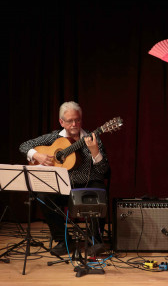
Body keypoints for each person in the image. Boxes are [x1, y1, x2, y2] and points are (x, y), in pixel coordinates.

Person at [19, 101, 110, 256]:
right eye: (69, 121)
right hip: (63, 186)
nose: (74, 124)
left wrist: (95, 152)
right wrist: (37, 155)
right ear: (61, 122)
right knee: (42, 196)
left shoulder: (92, 138)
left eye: (77, 120)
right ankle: (63, 240)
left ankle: (94, 241)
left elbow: (103, 170)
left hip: (87, 185)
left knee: (98, 192)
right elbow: (24, 146)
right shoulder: (54, 137)